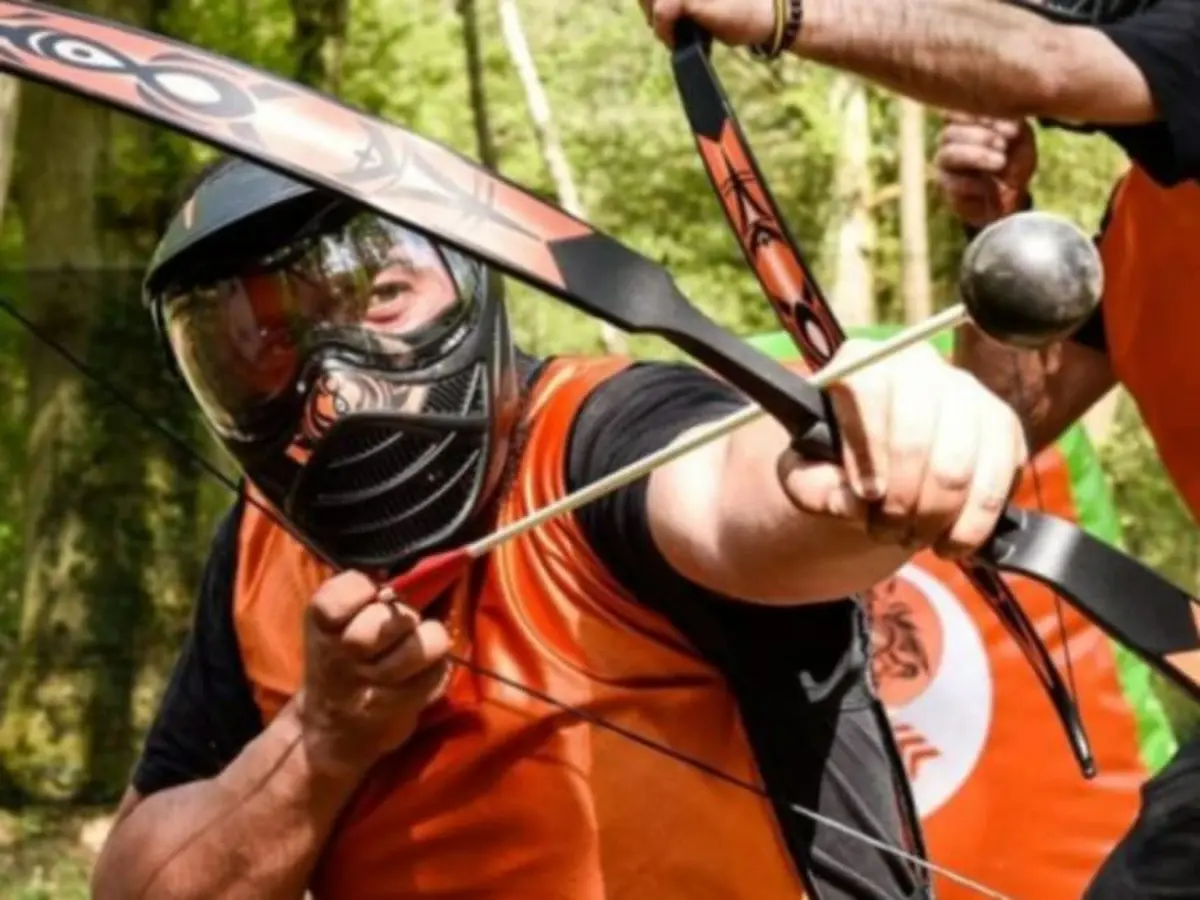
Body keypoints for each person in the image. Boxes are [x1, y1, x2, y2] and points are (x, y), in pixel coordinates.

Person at [90, 156, 1025, 899]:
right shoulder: (260, 547)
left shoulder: (597, 436)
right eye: (270, 345)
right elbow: (138, 882)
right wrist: (320, 742)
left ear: (466, 283)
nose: (336, 385)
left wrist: (894, 436)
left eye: (382, 298)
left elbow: (734, 500)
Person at [634, 0, 1200, 895]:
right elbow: (1003, 415)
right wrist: (995, 225)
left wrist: (780, 14)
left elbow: (1048, 65)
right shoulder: (1137, 222)